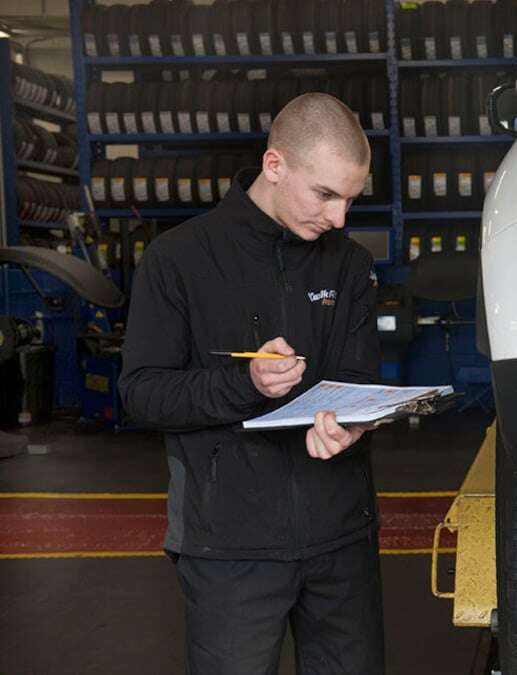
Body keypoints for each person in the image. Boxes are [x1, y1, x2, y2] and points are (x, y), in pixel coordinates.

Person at [119, 93, 384, 674]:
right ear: (275, 166)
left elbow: (361, 380)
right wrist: (247, 383)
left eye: (350, 200)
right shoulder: (178, 260)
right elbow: (142, 392)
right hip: (227, 548)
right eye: (325, 195)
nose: (338, 218)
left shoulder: (349, 264)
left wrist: (355, 422)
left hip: (341, 540)